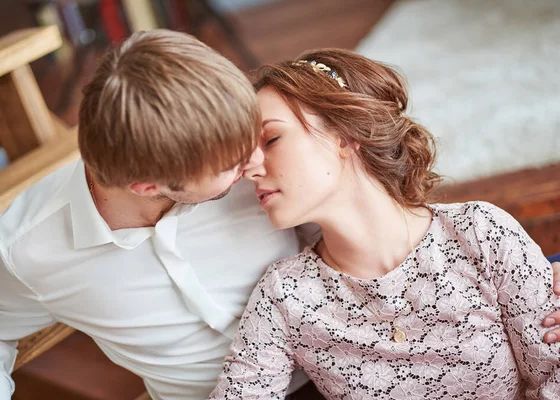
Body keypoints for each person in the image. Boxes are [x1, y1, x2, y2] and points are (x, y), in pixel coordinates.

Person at [0, 30, 559, 400]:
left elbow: (372, 204)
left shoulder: (474, 231)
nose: (251, 164)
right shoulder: (26, 249)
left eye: (262, 137)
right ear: (147, 183)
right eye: (237, 157)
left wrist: (540, 273)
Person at [210, 49, 560, 399]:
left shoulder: (480, 233)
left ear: (346, 135)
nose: (249, 170)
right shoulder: (285, 294)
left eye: (271, 140)